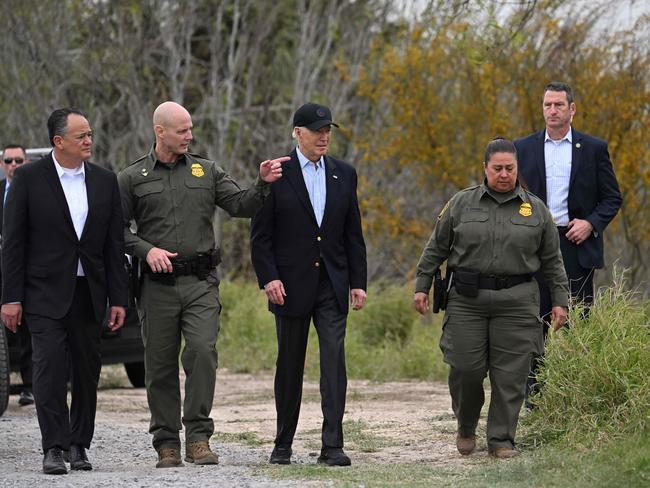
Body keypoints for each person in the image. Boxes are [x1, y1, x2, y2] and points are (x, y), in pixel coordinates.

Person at [118, 101, 288, 469]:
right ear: (159, 131)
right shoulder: (133, 177)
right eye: (181, 130)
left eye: (190, 128)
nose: (189, 135)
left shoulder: (206, 170)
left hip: (200, 283)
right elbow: (114, 232)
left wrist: (262, 183)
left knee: (201, 351)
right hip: (156, 287)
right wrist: (146, 250)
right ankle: (166, 442)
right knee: (159, 365)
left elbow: (241, 205)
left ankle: (198, 437)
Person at [413, 138, 568, 459]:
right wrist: (421, 285)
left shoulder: (536, 209)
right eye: (497, 168)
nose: (503, 174)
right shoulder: (461, 203)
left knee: (511, 375)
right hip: (468, 299)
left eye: (509, 168)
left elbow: (553, 261)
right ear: (485, 168)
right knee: (465, 368)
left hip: (517, 301)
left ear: (517, 169)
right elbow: (436, 248)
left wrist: (560, 301)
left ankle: (501, 439)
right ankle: (466, 426)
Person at [1, 109, 128, 474]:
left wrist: (118, 298)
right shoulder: (27, 179)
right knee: (49, 368)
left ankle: (79, 444)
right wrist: (10, 298)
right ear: (59, 142)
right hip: (42, 292)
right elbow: (13, 243)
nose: (89, 141)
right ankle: (53, 446)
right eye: (81, 136)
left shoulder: (105, 182)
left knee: (87, 371)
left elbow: (112, 244)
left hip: (89, 292)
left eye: (90, 134)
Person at [250, 102, 367, 467]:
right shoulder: (276, 175)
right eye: (317, 130)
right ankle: (283, 443)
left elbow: (353, 233)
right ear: (297, 133)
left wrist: (358, 282)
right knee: (290, 365)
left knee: (334, 363)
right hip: (289, 285)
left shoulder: (344, 174)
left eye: (327, 130)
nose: (324, 136)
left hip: (332, 284)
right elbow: (260, 237)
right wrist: (269, 277)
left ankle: (332, 445)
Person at [514, 81, 622, 406]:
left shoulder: (593, 148)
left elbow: (612, 198)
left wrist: (591, 223)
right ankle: (532, 395)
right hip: (534, 247)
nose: (552, 111)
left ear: (572, 109)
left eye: (559, 105)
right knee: (535, 317)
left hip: (576, 245)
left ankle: (577, 392)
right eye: (547, 105)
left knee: (577, 319)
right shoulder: (524, 148)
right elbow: (510, 197)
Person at [0, 144, 34, 406]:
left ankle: (29, 385)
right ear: (2, 165)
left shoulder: (36, 192)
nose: (13, 165)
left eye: (18, 160)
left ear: (26, 162)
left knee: (27, 329)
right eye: (8, 160)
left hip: (26, 268)